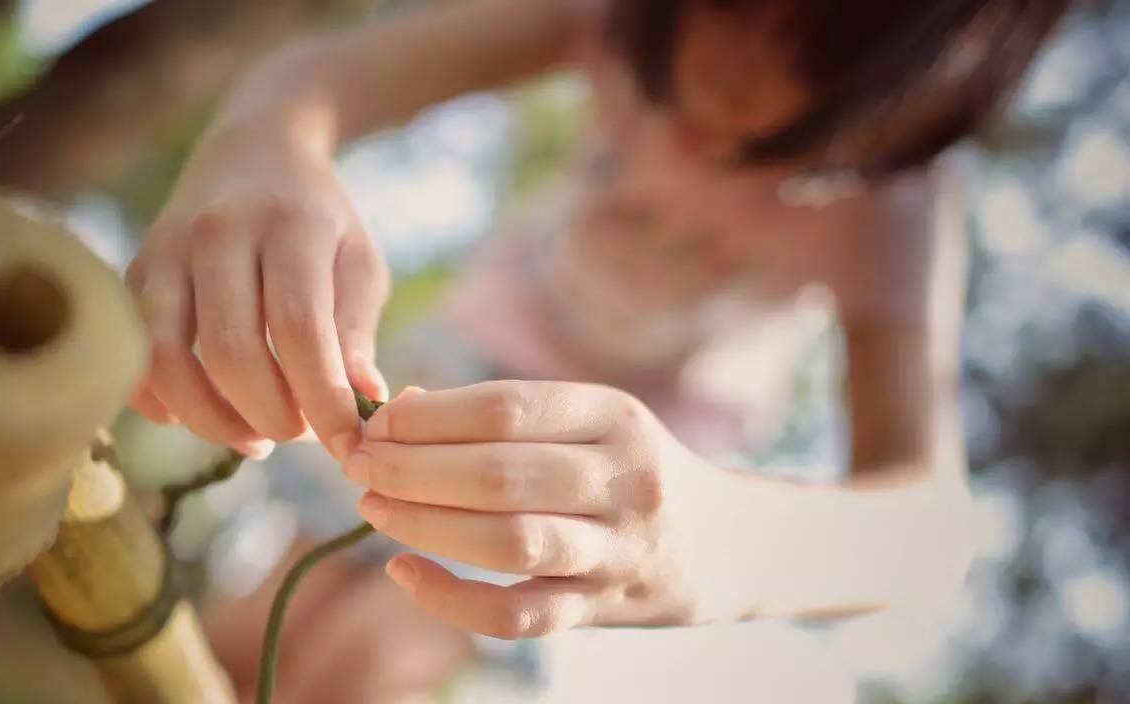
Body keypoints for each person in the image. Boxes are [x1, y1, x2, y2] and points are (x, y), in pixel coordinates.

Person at [127, 0, 1068, 638]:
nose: (732, 81)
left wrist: (724, 541)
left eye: (816, 53)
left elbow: (929, 531)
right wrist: (268, 138)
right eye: (731, 0)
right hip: (470, 359)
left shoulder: (895, 207)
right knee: (252, 633)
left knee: (393, 660)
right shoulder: (609, 17)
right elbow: (332, 71)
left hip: (618, 476)